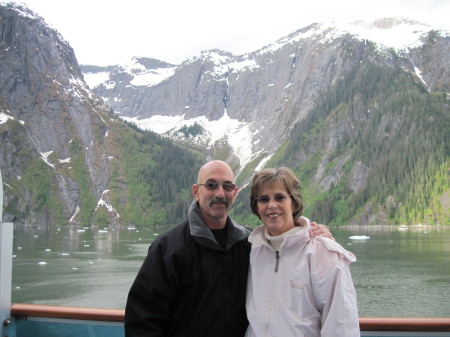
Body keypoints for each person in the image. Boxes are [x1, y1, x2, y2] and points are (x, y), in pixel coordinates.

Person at [125, 160, 333, 337]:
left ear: (234, 193)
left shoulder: (250, 244)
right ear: (196, 192)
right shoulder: (168, 248)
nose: (220, 193)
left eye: (227, 186)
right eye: (211, 185)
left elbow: (284, 244)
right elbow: (143, 318)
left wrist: (313, 232)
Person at [245, 167, 360, 337]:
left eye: (279, 197)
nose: (271, 205)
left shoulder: (321, 252)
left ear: (294, 202)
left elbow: (341, 324)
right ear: (257, 206)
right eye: (263, 199)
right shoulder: (252, 250)